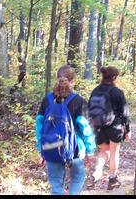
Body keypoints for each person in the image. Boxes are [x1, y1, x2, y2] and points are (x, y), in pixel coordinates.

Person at [35, 65, 96, 195]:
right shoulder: (78, 101)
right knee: (78, 177)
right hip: (75, 150)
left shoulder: (47, 100)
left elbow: (39, 126)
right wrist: (90, 150)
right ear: (72, 81)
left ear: (57, 79)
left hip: (51, 147)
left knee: (56, 185)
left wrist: (42, 149)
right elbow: (85, 128)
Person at [89, 66, 131, 190]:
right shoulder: (117, 92)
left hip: (98, 128)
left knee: (103, 152)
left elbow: (89, 108)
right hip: (115, 127)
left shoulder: (95, 90)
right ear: (114, 77)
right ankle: (112, 179)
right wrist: (127, 129)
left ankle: (97, 171)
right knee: (114, 152)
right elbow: (125, 113)